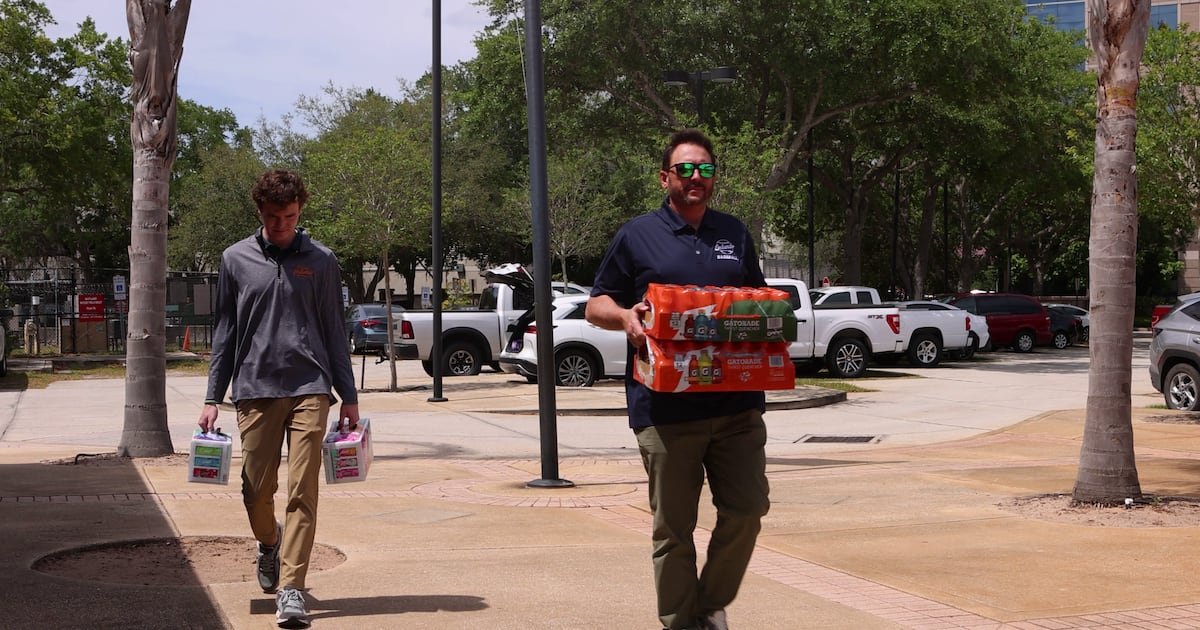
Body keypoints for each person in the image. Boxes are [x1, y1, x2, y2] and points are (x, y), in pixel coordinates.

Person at [585, 129, 770, 630]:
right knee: (673, 529)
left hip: (737, 403)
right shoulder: (636, 234)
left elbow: (756, 296)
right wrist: (625, 317)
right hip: (665, 409)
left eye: (705, 169)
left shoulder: (735, 233)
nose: (696, 178)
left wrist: (769, 312)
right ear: (666, 176)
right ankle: (681, 623)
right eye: (685, 169)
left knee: (748, 510)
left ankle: (708, 606)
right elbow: (595, 303)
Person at [198, 168, 359, 629]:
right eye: (272, 217)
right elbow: (225, 332)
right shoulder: (234, 259)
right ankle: (268, 543)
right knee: (256, 489)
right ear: (259, 212)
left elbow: (333, 328)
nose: (281, 226)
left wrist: (348, 396)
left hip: (311, 386)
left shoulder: (322, 261)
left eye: (289, 216)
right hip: (254, 388)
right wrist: (213, 396)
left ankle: (291, 589)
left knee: (303, 489)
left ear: (300, 210)